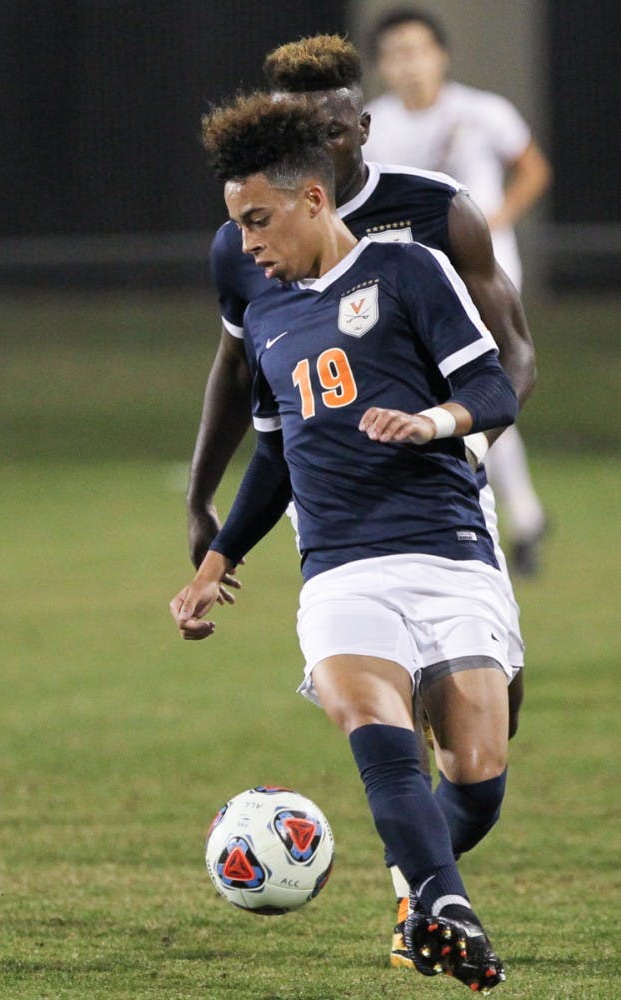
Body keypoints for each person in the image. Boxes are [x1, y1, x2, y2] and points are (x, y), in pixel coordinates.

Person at [185, 33, 530, 969]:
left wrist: (439, 426)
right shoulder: (264, 306)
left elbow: (497, 379)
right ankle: (446, 913)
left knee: (478, 774)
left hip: (449, 539)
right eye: (238, 227)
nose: (245, 245)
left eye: (258, 222)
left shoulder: (417, 256)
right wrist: (216, 552)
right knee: (380, 736)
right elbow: (276, 449)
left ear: (314, 195)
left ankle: (414, 880)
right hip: (341, 564)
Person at [362, 7, 552, 576]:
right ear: (380, 66)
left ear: (440, 55)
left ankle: (496, 515)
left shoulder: (482, 111)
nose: (408, 64)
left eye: (417, 50)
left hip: (485, 274)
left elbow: (533, 168)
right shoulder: (375, 125)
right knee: (460, 391)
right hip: (417, 280)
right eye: (395, 54)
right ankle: (520, 516)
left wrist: (496, 220)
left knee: (481, 385)